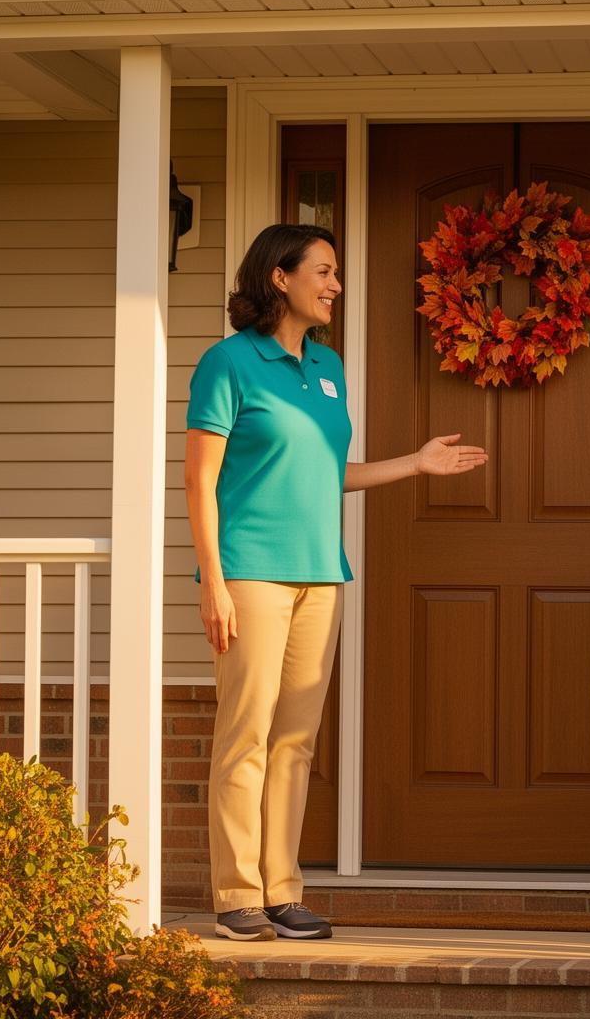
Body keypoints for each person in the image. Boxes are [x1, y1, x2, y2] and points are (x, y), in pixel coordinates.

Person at [185, 223, 488, 942]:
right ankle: (236, 894)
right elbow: (199, 479)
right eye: (322, 271)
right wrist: (213, 583)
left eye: (336, 272)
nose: (335, 285)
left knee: (296, 741)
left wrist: (413, 464)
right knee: (246, 736)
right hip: (251, 573)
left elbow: (330, 474)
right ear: (279, 277)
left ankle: (282, 889)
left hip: (322, 575)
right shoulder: (228, 364)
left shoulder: (328, 369)